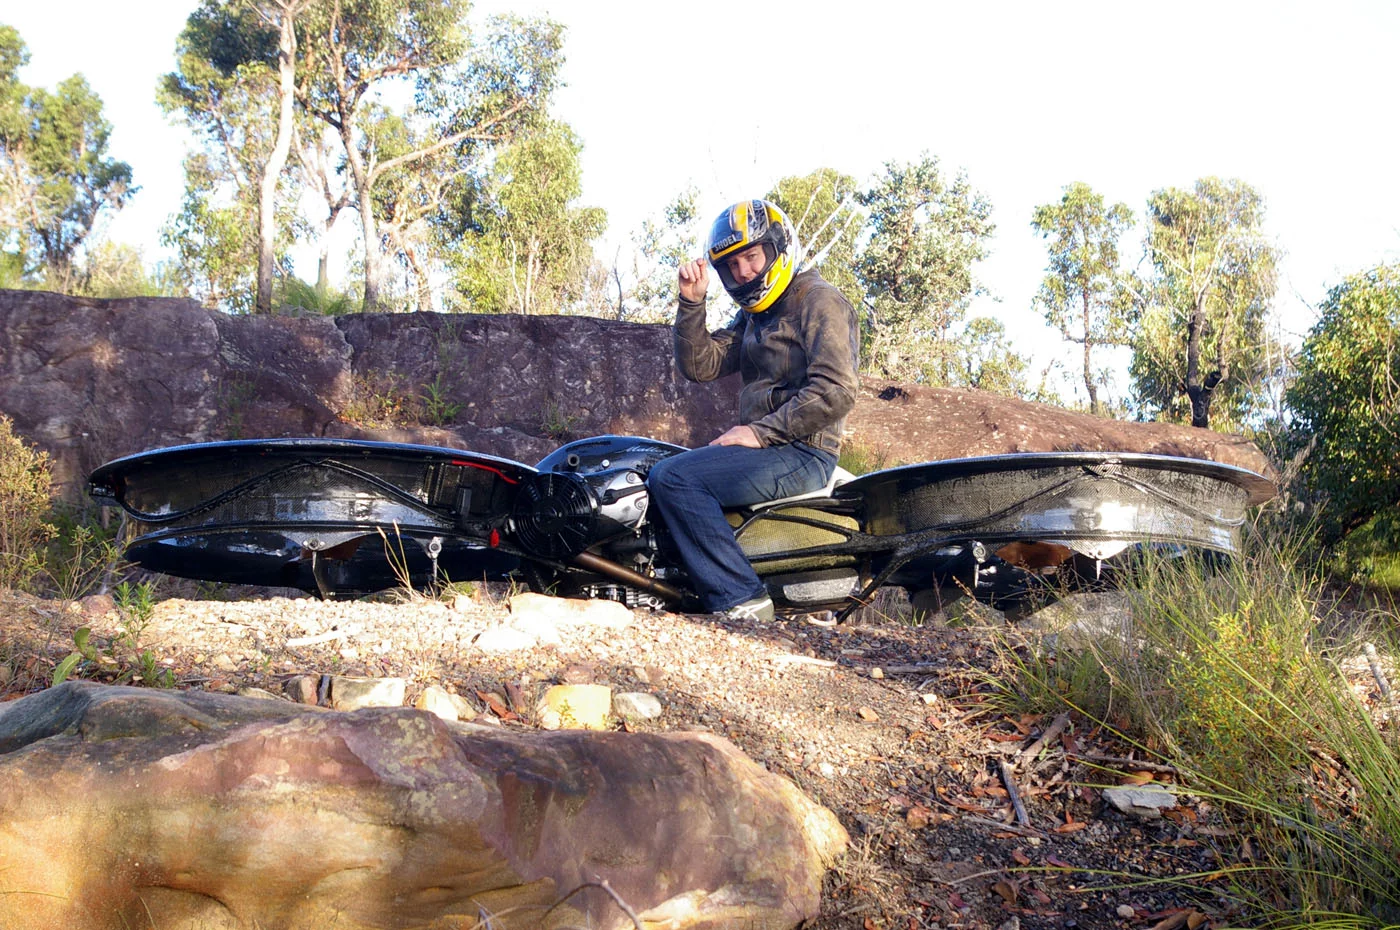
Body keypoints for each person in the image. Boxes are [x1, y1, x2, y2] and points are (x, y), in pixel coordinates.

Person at [646, 199, 860, 622]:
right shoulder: (756, 317)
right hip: (774, 448)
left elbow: (837, 390)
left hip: (803, 450)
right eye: (732, 264)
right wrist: (691, 304)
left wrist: (761, 432)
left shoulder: (818, 301)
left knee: (675, 478)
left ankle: (741, 600)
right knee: (656, 465)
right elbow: (702, 365)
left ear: (777, 248)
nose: (743, 272)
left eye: (751, 256)